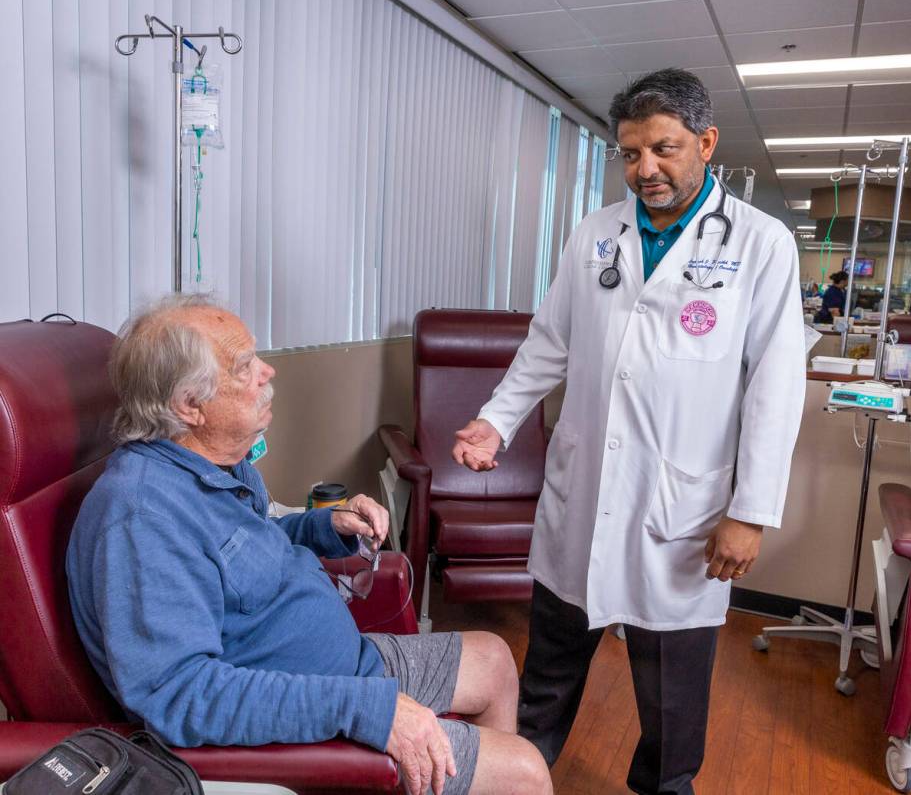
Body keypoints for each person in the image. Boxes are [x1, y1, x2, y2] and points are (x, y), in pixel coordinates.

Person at [452, 69, 805, 795]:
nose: (646, 169)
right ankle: (513, 778)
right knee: (547, 675)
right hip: (583, 500)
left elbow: (776, 387)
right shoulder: (596, 234)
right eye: (631, 154)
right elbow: (548, 343)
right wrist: (495, 420)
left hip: (682, 511)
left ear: (706, 142)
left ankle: (664, 788)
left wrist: (749, 511)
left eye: (665, 149)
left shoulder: (761, 245)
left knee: (672, 703)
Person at [66, 295, 552, 795]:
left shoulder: (215, 469)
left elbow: (234, 562)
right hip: (309, 714)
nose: (268, 372)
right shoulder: (143, 518)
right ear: (190, 406)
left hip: (346, 667)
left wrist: (325, 527)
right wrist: (367, 711)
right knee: (526, 773)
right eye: (244, 366)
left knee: (494, 659)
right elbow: (181, 696)